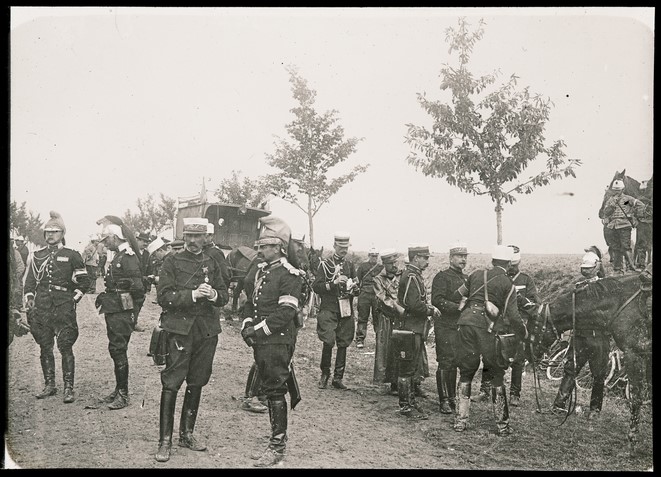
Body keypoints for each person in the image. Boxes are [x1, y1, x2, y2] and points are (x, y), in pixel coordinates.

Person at [154, 217, 229, 463]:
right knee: (172, 382)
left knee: (197, 381)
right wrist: (193, 295)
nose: (193, 241)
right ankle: (165, 441)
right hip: (180, 330)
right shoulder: (171, 261)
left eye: (198, 237)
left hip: (206, 331)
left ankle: (186, 433)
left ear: (206, 237)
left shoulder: (211, 261)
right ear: (184, 237)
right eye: (189, 237)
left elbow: (224, 295)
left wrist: (214, 294)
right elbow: (164, 296)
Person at [240, 216, 305, 467]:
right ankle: (274, 443)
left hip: (277, 341)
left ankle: (277, 447)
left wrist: (258, 331)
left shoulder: (289, 274)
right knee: (269, 388)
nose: (260, 250)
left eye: (265, 246)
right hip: (263, 340)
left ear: (278, 247)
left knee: (276, 391)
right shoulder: (262, 271)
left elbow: (285, 313)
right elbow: (251, 303)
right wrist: (247, 324)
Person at [454, 245, 526, 436]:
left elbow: (458, 295)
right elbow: (513, 315)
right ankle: (502, 425)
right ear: (509, 264)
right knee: (496, 374)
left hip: (466, 323)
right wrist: (523, 333)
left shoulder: (476, 274)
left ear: (493, 260)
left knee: (466, 372)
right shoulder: (508, 284)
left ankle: (460, 421)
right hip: (487, 328)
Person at [23, 211, 90, 403]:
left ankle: (68, 388)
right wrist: (29, 297)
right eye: (47, 232)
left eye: (55, 232)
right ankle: (49, 385)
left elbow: (84, 282)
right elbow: (29, 283)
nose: (50, 235)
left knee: (65, 346)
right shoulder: (37, 256)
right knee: (45, 347)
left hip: (63, 307)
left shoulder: (72, 255)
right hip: (43, 308)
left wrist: (74, 299)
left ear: (62, 234)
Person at [551, 251, 611, 420]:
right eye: (583, 269)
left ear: (597, 267)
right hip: (579, 337)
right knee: (570, 369)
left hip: (598, 337)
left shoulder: (604, 287)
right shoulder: (577, 287)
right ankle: (559, 405)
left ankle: (594, 410)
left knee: (598, 374)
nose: (585, 271)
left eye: (589, 269)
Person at [95, 222, 145, 410]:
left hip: (123, 312)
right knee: (116, 349)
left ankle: (123, 394)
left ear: (115, 237)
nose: (104, 243)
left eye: (106, 239)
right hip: (115, 308)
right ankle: (118, 390)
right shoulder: (119, 256)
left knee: (118, 349)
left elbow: (139, 290)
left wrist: (134, 315)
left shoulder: (128, 257)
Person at [393, 244, 440, 419]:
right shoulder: (411, 276)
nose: (427, 261)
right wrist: (430, 310)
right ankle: (405, 406)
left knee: (411, 366)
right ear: (415, 258)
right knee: (407, 367)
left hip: (413, 328)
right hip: (410, 328)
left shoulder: (413, 275)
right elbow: (413, 304)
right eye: (424, 258)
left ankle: (410, 402)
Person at [313, 232, 359, 390]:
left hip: (345, 309)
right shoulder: (325, 265)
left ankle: (338, 378)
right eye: (341, 247)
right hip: (329, 308)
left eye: (346, 248)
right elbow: (316, 287)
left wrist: (354, 288)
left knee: (344, 342)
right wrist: (334, 283)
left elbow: (356, 285)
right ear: (334, 247)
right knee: (328, 340)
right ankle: (325, 374)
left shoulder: (350, 265)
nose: (343, 250)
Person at [431, 242, 469, 414]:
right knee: (445, 362)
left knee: (455, 361)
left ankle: (453, 397)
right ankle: (443, 400)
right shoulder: (442, 277)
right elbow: (437, 300)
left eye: (465, 257)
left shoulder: (466, 279)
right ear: (451, 258)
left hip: (459, 327)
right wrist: (457, 307)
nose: (463, 260)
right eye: (460, 256)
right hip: (445, 325)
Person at [372, 248, 404, 391]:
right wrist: (398, 307)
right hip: (387, 318)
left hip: (402, 318)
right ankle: (391, 382)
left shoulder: (402, 276)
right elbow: (383, 298)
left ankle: (402, 382)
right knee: (387, 350)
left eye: (395, 262)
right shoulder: (378, 279)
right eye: (391, 263)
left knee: (402, 350)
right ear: (385, 264)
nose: (394, 266)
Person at [601, 179, 645, 274]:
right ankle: (618, 269)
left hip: (624, 226)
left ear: (622, 190)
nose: (616, 192)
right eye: (615, 190)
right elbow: (606, 213)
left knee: (626, 247)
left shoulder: (627, 200)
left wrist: (634, 215)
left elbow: (640, 205)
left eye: (618, 190)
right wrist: (610, 208)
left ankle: (631, 268)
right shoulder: (610, 200)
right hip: (613, 226)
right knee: (616, 248)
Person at [355, 248, 383, 349]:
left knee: (378, 319)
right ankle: (360, 339)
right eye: (372, 256)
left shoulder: (381, 267)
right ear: (368, 256)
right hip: (365, 295)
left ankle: (379, 341)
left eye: (376, 256)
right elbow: (357, 280)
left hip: (377, 295)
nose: (374, 258)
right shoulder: (363, 266)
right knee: (362, 317)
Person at [203, 223, 232, 321]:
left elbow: (224, 276)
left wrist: (218, 294)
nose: (203, 238)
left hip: (211, 298)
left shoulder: (216, 253)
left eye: (206, 236)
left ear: (211, 236)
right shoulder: (199, 251)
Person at [133, 232, 152, 332]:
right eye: (144, 241)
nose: (146, 244)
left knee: (139, 302)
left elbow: (149, 269)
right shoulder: (132, 252)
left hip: (143, 284)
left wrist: (148, 285)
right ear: (138, 240)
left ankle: (134, 322)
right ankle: (129, 323)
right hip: (132, 283)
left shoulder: (147, 254)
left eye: (147, 242)